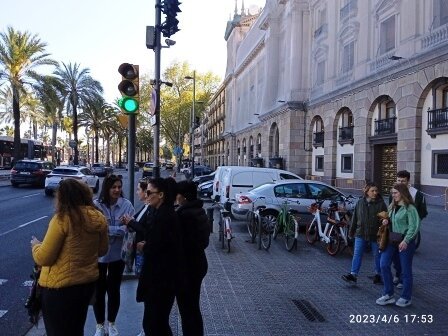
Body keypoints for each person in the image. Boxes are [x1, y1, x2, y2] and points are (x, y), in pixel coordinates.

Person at [31, 179, 108, 336]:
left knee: (57, 331)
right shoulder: (99, 218)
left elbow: (43, 258)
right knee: (75, 329)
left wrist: (35, 245)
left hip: (59, 289)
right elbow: (102, 251)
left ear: (63, 198)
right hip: (85, 287)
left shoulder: (62, 219)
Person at [136, 177, 185, 336]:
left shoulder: (164, 217)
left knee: (154, 323)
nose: (146, 195)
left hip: (160, 280)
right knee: (156, 322)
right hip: (161, 280)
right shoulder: (162, 213)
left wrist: (145, 246)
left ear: (161, 195)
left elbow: (161, 248)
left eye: (149, 192)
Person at [93, 174, 135, 336]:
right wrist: (116, 230)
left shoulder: (127, 205)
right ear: (107, 188)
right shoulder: (95, 205)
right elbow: (94, 228)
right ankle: (99, 325)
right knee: (99, 290)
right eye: (113, 187)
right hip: (99, 255)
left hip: (118, 255)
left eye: (119, 187)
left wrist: (106, 229)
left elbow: (127, 229)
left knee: (114, 290)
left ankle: (111, 323)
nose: (117, 190)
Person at [376, 183, 420, 307]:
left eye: (395, 192)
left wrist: (406, 240)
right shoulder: (392, 206)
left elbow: (414, 226)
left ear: (402, 193)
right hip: (391, 240)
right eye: (392, 193)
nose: (393, 195)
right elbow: (389, 220)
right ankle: (388, 294)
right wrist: (386, 221)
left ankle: (406, 297)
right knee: (383, 265)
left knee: (405, 271)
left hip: (405, 242)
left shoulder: (410, 208)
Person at [175, 180, 210, 336]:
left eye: (178, 194)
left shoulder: (184, 215)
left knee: (187, 308)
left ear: (184, 197)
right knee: (193, 307)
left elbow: (180, 243)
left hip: (188, 268)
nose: (176, 197)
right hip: (198, 264)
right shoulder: (199, 210)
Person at [122, 179, 152, 336]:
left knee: (148, 292)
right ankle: (147, 326)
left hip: (145, 254)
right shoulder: (146, 207)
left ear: (147, 192)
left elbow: (146, 230)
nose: (137, 192)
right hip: (141, 254)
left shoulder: (150, 209)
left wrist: (131, 222)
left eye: (139, 189)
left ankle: (148, 328)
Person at [342, 182, 387, 284]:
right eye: (372, 191)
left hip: (375, 234)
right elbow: (355, 218)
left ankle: (378, 275)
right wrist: (351, 231)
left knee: (377, 255)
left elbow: (385, 217)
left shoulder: (381, 203)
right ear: (367, 192)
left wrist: (384, 222)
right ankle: (353, 275)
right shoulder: (360, 202)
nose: (375, 193)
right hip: (360, 233)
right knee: (357, 254)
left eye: (376, 190)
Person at [390, 170, 428, 288]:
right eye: (399, 180)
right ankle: (398, 273)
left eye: (403, 181)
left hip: (409, 231)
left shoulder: (417, 194)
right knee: (395, 255)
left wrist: (414, 220)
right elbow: (391, 208)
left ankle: (403, 279)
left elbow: (423, 211)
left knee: (405, 256)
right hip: (395, 230)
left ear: (408, 181)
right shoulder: (394, 192)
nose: (400, 182)